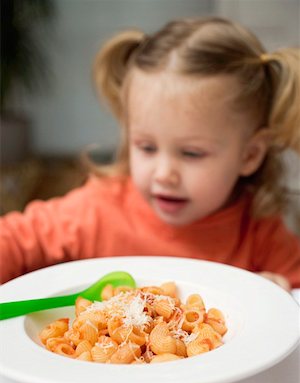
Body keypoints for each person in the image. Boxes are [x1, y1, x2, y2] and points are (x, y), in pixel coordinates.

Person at [1, 17, 300, 290]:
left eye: (192, 153)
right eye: (146, 147)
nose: (163, 174)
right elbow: (14, 240)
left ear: (250, 155)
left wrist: (279, 292)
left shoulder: (260, 234)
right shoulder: (98, 209)